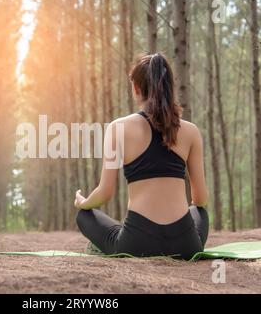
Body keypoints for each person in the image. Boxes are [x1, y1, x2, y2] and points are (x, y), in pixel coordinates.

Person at [74, 53, 209, 260]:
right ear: (168, 87)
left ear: (136, 89)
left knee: (84, 216)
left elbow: (105, 192)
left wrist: (84, 203)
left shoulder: (118, 128)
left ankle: (105, 242)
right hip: (185, 245)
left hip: (136, 244)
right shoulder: (191, 131)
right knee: (200, 212)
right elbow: (201, 199)